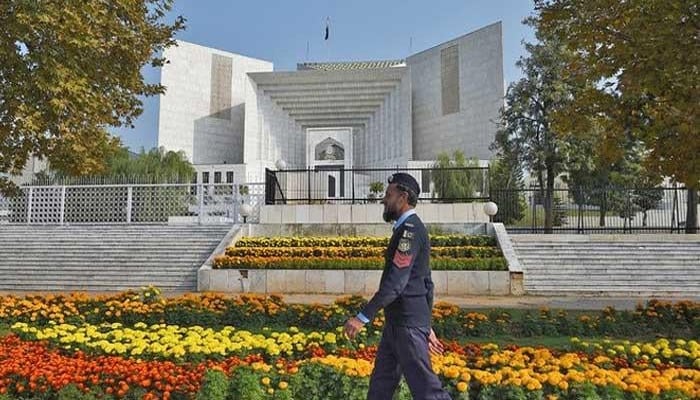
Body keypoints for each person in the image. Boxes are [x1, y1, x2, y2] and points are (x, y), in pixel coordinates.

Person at [343, 172, 452, 400]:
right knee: (380, 388)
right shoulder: (407, 229)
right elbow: (426, 282)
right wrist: (426, 324)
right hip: (399, 325)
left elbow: (396, 283)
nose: (384, 200)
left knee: (427, 390)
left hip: (407, 326)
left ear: (402, 198)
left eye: (388, 195)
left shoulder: (410, 231)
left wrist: (362, 317)